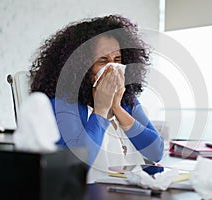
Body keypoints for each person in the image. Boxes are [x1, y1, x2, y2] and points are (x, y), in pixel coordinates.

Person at [29, 15, 164, 183]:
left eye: (117, 60)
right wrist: (101, 110)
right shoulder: (62, 103)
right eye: (103, 60)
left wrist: (117, 108)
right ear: (81, 66)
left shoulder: (127, 100)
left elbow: (156, 151)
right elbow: (75, 166)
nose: (113, 68)